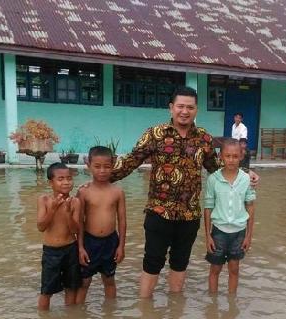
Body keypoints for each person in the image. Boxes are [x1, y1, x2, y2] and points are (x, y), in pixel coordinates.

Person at [110, 86, 259, 298]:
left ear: (196, 110)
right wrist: (101, 179)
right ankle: (145, 311)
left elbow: (218, 167)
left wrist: (246, 173)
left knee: (180, 263)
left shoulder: (203, 139)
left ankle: (174, 315)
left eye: (190, 107)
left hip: (189, 215)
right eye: (180, 106)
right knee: (152, 262)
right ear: (171, 108)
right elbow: (131, 161)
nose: (184, 111)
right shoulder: (155, 134)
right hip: (159, 212)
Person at [204, 139, 255, 295]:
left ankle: (231, 303)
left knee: (234, 269)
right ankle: (212, 304)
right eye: (227, 156)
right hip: (218, 232)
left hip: (239, 232)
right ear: (221, 156)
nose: (231, 160)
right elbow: (207, 208)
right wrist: (208, 236)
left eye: (235, 156)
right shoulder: (213, 179)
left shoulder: (246, 179)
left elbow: (251, 206)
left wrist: (248, 236)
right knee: (215, 269)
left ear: (241, 156)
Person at [77, 146, 126, 304]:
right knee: (84, 282)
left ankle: (110, 318)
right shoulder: (83, 192)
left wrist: (121, 246)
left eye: (107, 166)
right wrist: (80, 248)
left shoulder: (117, 192)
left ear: (113, 165)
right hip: (89, 242)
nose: (102, 171)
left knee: (109, 280)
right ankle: (77, 318)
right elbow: (78, 222)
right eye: (97, 166)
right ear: (88, 165)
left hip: (110, 241)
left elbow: (122, 220)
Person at [36, 162, 81, 310]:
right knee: (46, 291)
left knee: (71, 287)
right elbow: (41, 226)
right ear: (51, 182)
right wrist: (53, 209)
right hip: (51, 251)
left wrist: (68, 213)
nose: (66, 182)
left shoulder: (75, 202)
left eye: (69, 178)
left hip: (70, 249)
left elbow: (76, 229)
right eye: (60, 179)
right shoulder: (44, 200)